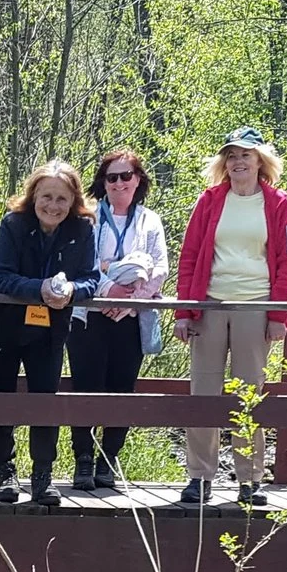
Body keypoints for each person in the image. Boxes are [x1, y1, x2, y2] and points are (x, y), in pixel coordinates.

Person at [173, 126, 287, 506]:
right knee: (203, 394)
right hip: (210, 305)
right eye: (231, 155)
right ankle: (199, 477)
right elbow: (189, 256)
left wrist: (278, 313)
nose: (238, 161)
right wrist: (184, 310)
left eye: (246, 155)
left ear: (261, 161)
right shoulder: (210, 200)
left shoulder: (277, 203)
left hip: (254, 305)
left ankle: (249, 480)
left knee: (249, 394)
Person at [0, 160, 99, 505]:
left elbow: (91, 278)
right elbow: (2, 275)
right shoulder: (14, 223)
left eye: (61, 199)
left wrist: (72, 290)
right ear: (34, 196)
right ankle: (5, 470)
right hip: (2, 322)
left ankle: (42, 475)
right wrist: (40, 288)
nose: (53, 206)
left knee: (45, 398)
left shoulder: (82, 229)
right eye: (46, 196)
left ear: (73, 200)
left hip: (50, 325)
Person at [69, 148, 169, 490]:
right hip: (90, 315)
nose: (119, 183)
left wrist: (129, 303)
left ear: (138, 180)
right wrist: (109, 288)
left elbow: (160, 267)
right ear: (103, 182)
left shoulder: (149, 220)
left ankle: (108, 459)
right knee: (85, 387)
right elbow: (81, 262)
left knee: (121, 389)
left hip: (131, 318)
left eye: (126, 176)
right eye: (112, 177)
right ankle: (83, 458)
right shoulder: (88, 219)